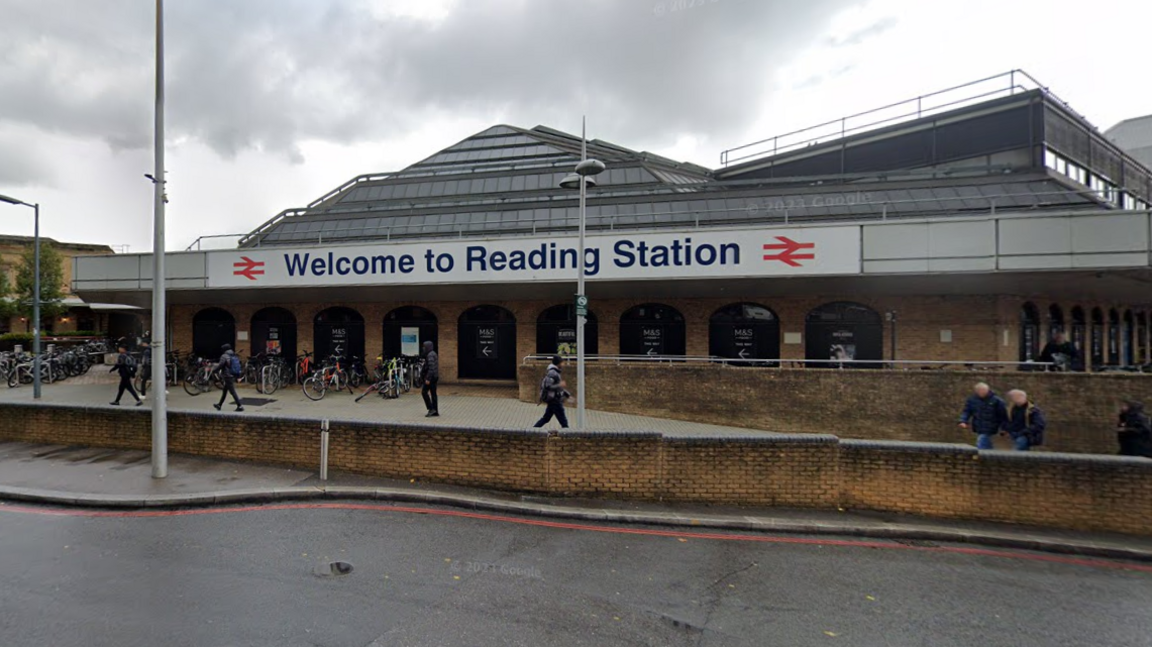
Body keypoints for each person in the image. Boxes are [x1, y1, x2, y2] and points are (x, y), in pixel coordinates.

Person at [958, 382, 1007, 450]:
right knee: (986, 445)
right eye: (980, 391)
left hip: (992, 427)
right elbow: (967, 411)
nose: (982, 393)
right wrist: (963, 421)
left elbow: (1003, 415)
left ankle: (981, 457)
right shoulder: (972, 400)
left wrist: (1004, 428)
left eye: (984, 391)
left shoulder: (997, 401)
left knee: (981, 442)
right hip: (979, 426)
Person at [534, 355, 570, 429]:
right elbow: (548, 386)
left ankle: (533, 431)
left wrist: (567, 394)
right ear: (558, 363)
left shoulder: (555, 372)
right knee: (564, 422)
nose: (564, 364)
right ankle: (567, 435)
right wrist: (560, 384)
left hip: (554, 399)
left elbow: (558, 387)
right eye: (562, 363)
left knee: (546, 418)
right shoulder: (552, 373)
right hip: (555, 400)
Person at [213, 344, 244, 412]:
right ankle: (219, 405)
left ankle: (240, 406)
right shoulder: (233, 355)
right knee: (224, 391)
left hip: (227, 376)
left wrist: (214, 370)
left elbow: (220, 365)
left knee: (232, 392)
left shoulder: (224, 356)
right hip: (232, 374)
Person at [421, 340, 439, 417]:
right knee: (433, 393)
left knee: (424, 392)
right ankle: (435, 410)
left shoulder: (430, 355)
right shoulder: (433, 354)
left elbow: (431, 368)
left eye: (424, 347)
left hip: (431, 378)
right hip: (435, 377)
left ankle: (431, 409)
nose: (423, 349)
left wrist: (428, 379)